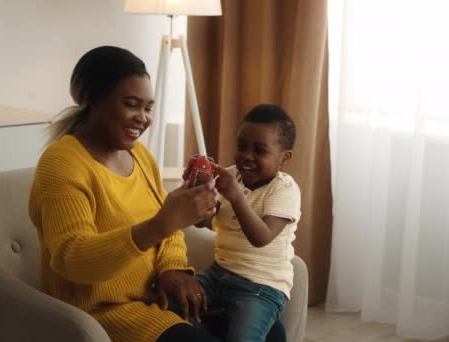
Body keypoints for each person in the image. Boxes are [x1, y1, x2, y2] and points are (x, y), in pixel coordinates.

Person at [28, 46, 219, 342]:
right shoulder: (61, 164)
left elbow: (168, 226)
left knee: (269, 328)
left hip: (157, 296)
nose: (142, 118)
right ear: (93, 101)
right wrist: (161, 225)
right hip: (105, 313)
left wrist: (173, 268)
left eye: (148, 107)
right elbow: (74, 258)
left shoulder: (140, 155)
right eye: (132, 105)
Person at [195, 104, 301, 342]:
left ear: (284, 158)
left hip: (261, 287)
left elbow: (261, 237)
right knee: (175, 304)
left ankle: (253, 324)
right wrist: (199, 195)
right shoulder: (231, 176)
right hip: (218, 274)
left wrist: (236, 196)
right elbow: (204, 222)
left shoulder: (285, 189)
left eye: (260, 150)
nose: (246, 156)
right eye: (241, 147)